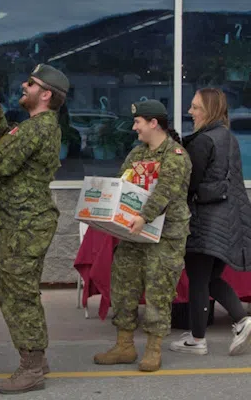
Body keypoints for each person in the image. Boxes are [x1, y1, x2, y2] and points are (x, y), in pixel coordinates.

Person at [0, 64, 69, 394]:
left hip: (25, 223)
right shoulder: (36, 126)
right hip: (24, 221)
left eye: (31, 84)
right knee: (22, 291)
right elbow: (10, 143)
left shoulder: (36, 128)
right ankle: (37, 359)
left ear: (45, 94)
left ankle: (31, 367)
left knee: (18, 295)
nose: (24, 86)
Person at [93, 100, 192, 372]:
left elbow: (165, 192)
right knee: (123, 286)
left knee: (159, 291)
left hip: (165, 235)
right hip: (133, 234)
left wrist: (143, 216)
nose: (134, 127)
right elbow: (122, 184)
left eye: (138, 122)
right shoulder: (136, 155)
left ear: (153, 123)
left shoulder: (175, 155)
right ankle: (124, 346)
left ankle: (153, 349)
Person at [169, 87, 251, 356]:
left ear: (210, 110)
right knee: (210, 278)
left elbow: (190, 183)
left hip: (206, 221)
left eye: (196, 107)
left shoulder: (204, 141)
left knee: (198, 279)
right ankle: (239, 321)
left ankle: (199, 338)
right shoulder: (228, 137)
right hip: (227, 221)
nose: (190, 112)